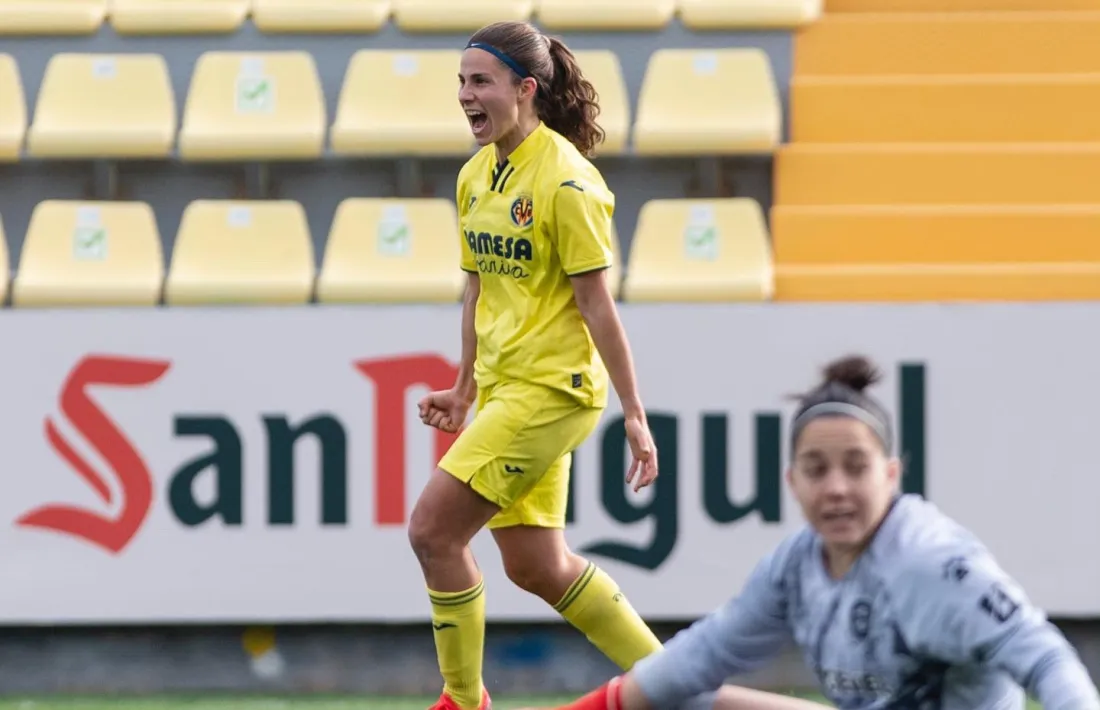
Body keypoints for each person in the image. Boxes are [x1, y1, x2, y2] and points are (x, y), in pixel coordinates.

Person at [520, 356, 1100, 710]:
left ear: (892, 475)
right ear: (792, 482)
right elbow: (701, 656)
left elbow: (1047, 660)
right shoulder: (798, 564)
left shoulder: (932, 564)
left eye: (857, 467)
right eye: (818, 471)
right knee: (677, 695)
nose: (837, 489)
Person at [409, 20, 664, 710]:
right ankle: (678, 683)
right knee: (536, 566)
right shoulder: (474, 177)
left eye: (479, 81)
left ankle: (463, 701)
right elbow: (477, 288)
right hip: (505, 391)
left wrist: (635, 415)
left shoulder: (569, 184)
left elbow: (598, 306)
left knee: (433, 530)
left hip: (552, 390)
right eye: (461, 82)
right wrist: (464, 389)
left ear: (525, 90)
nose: (465, 95)